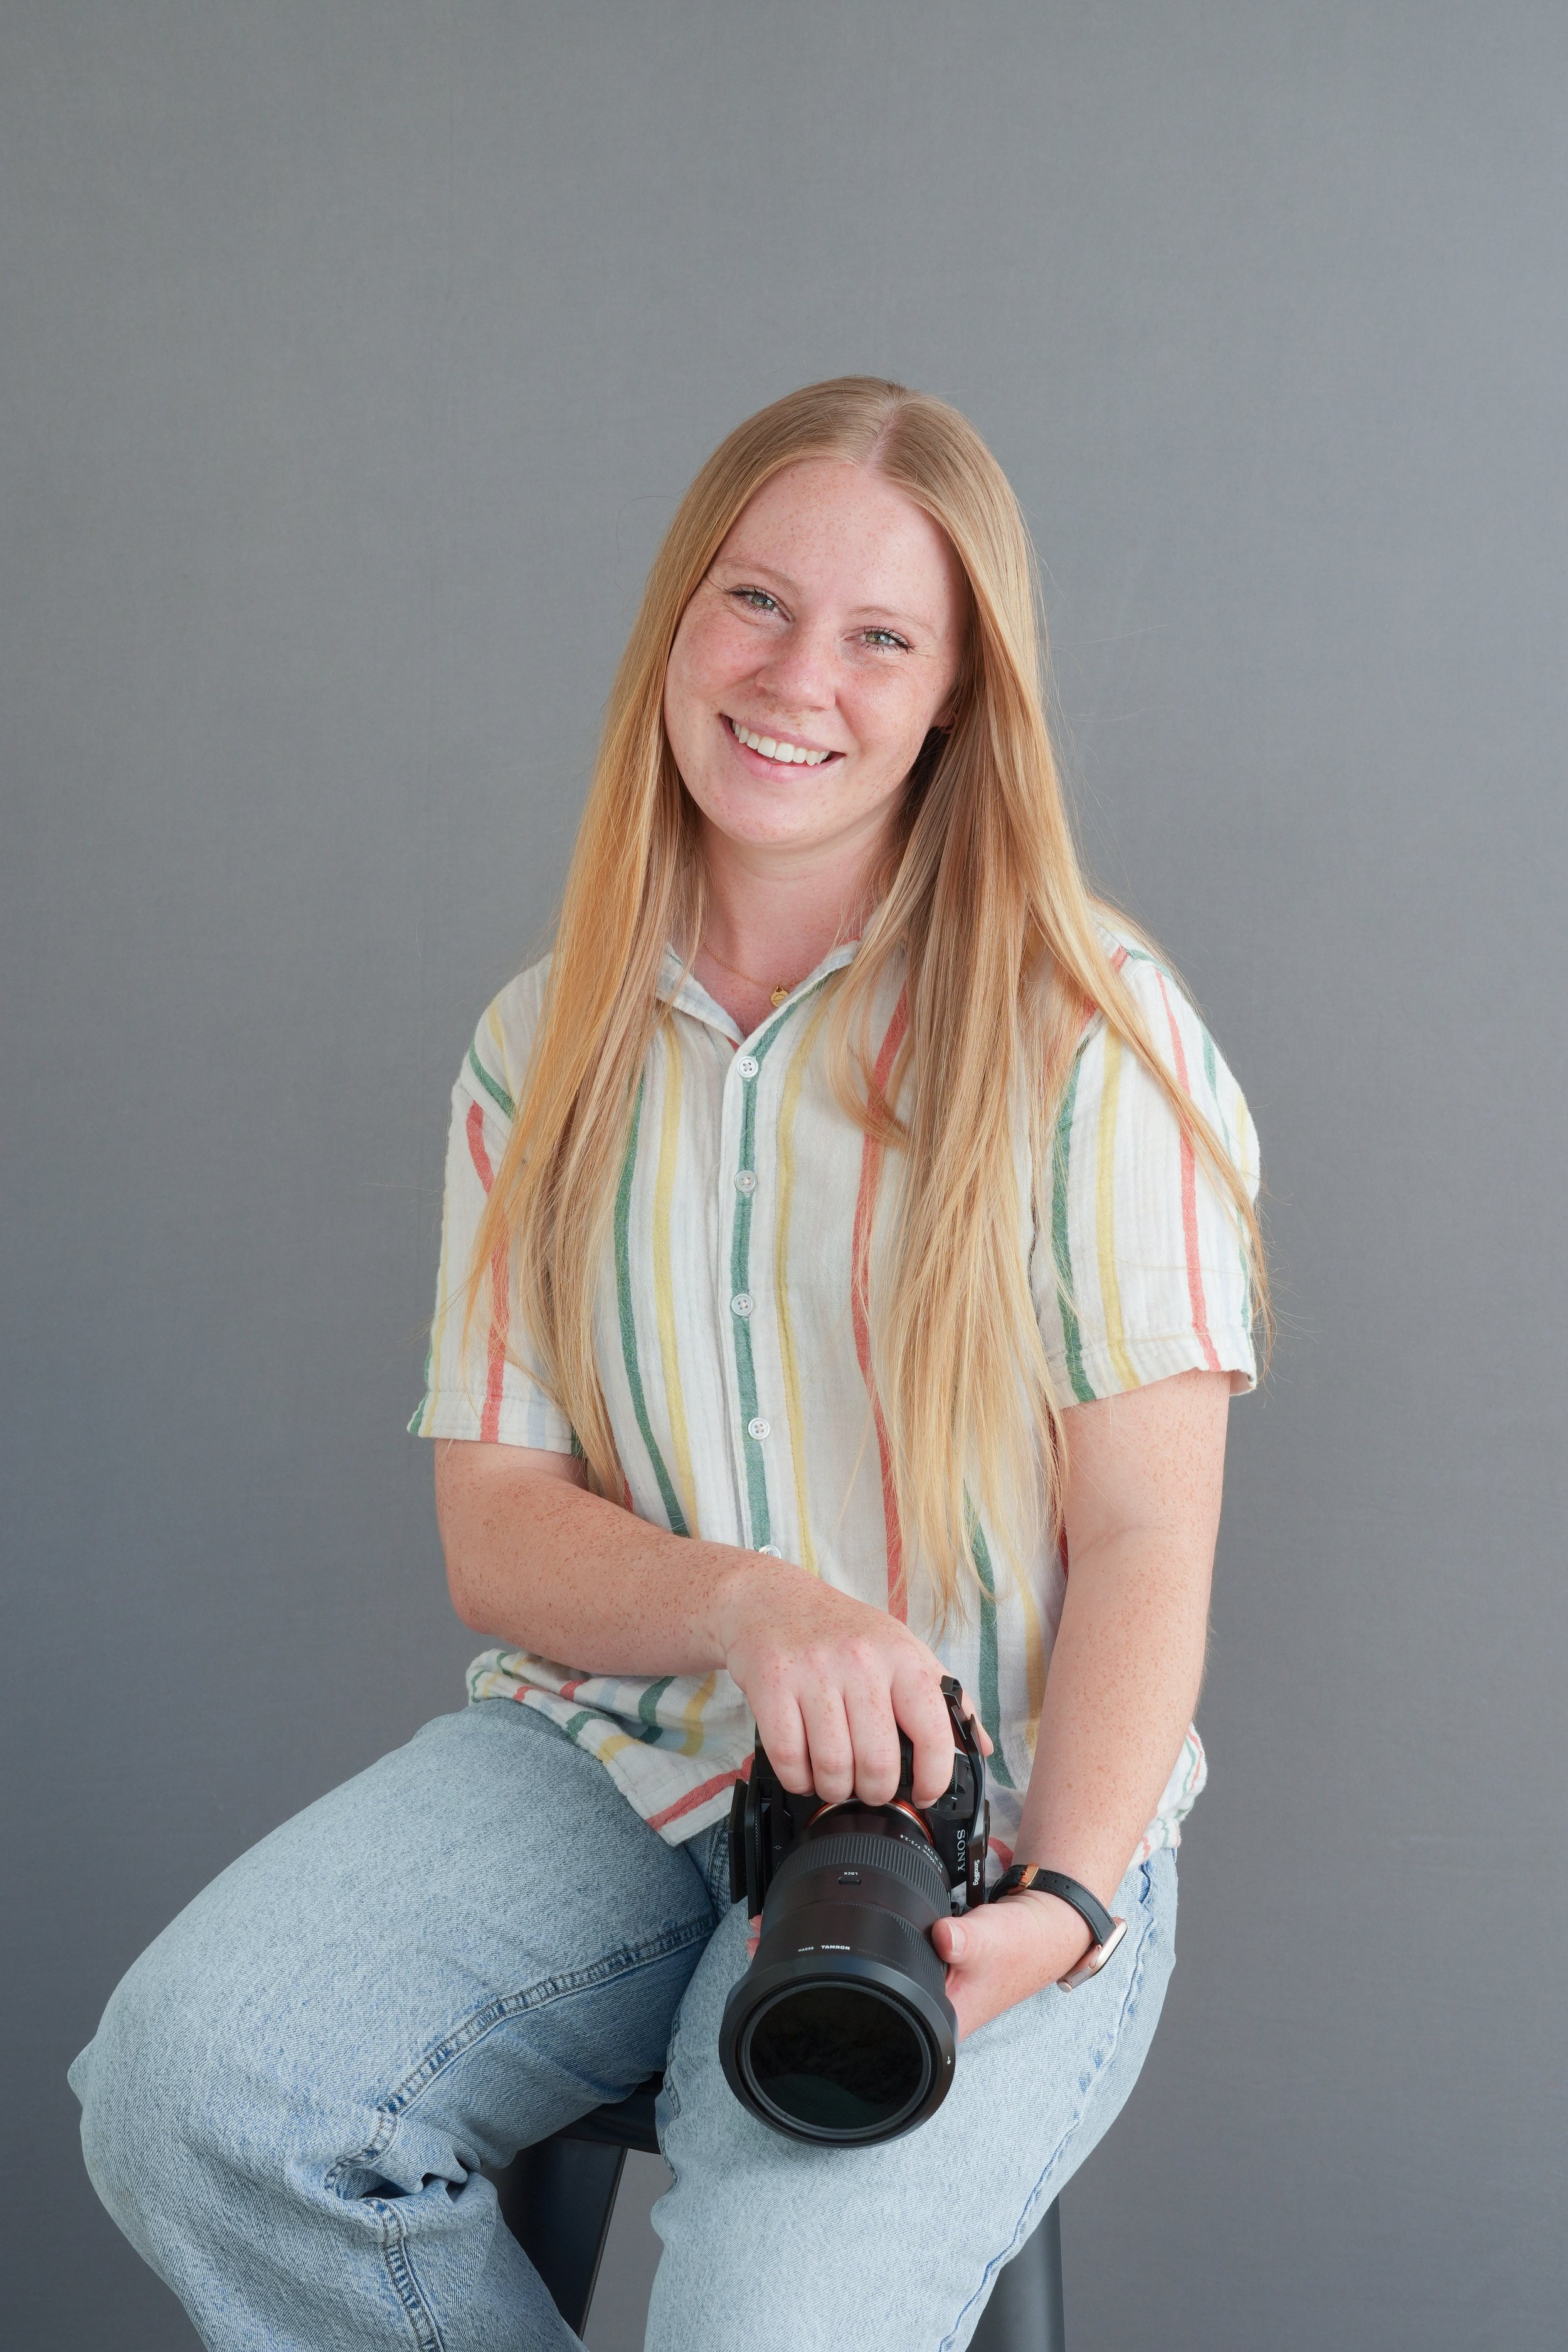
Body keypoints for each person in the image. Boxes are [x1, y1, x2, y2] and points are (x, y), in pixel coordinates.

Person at [71, 377, 1264, 2351]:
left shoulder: (1087, 1035)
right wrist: (752, 1608)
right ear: (676, 626)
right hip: (617, 1758)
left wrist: (1058, 1910)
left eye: (883, 635)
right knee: (197, 2093)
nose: (801, 677)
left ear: (958, 692)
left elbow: (1144, 1543)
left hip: (979, 1834)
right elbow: (499, 1529)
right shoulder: (538, 1044)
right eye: (756, 604)